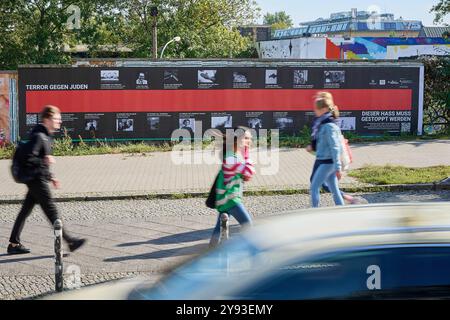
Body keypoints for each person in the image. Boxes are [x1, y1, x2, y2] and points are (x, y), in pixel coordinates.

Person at [7, 105, 86, 254]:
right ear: (47, 119)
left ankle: (13, 244)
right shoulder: (39, 136)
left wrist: (51, 177)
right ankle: (70, 241)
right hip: (37, 180)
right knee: (52, 211)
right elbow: (30, 158)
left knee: (25, 211)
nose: (60, 121)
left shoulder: (44, 135)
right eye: (57, 119)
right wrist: (45, 161)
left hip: (38, 178)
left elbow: (39, 159)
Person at [209, 126, 255, 247]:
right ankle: (252, 253)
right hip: (231, 200)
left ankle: (209, 253)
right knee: (248, 226)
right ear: (237, 140)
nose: (249, 141)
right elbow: (249, 172)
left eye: (249, 138)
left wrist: (245, 154)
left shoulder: (234, 155)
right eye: (246, 138)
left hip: (225, 198)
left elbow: (246, 174)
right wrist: (247, 154)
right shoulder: (231, 158)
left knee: (218, 229)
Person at [306, 92, 345, 208]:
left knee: (314, 187)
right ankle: (342, 210)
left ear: (323, 109)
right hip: (326, 160)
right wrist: (312, 149)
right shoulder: (323, 123)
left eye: (316, 109)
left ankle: (314, 212)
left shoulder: (329, 126)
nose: (315, 111)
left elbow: (335, 147)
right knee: (334, 188)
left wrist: (338, 168)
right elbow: (325, 146)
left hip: (327, 162)